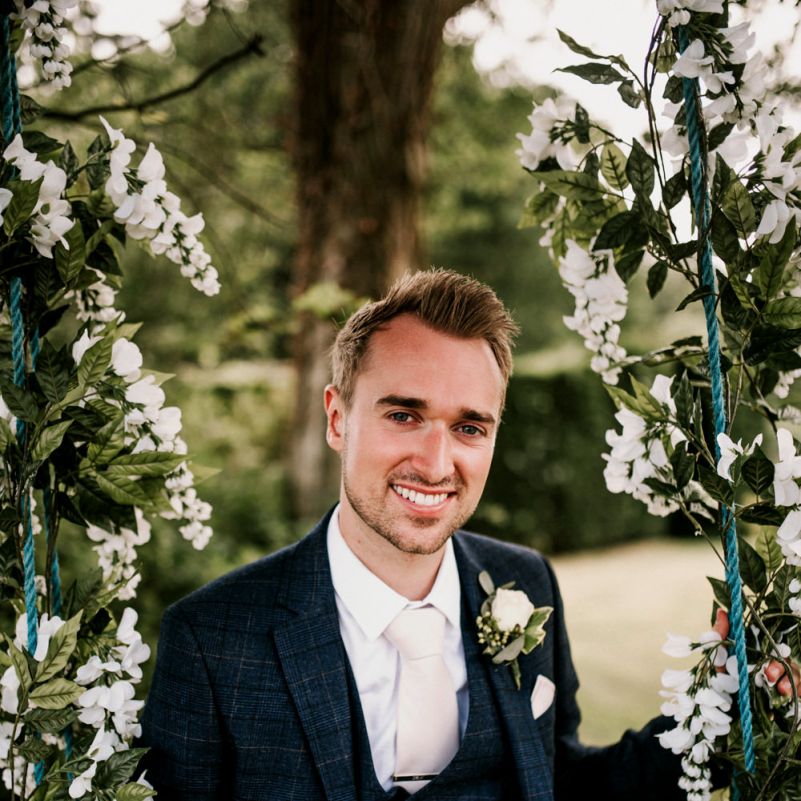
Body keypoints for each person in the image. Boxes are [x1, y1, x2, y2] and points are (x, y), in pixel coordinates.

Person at [139, 269, 748, 800]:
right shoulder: (213, 640)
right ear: (336, 418)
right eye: (404, 415)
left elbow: (563, 782)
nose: (435, 464)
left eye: (469, 427)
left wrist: (724, 706)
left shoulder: (527, 583)